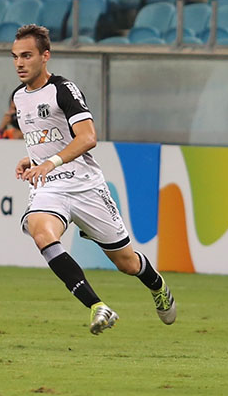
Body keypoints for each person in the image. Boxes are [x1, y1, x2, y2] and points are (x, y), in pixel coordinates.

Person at [11, 24, 176, 335]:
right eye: (15, 56)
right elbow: (47, 138)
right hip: (50, 187)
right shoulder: (19, 97)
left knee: (127, 263)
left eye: (27, 56)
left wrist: (49, 162)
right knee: (42, 234)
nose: (19, 63)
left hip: (85, 186)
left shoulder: (63, 90)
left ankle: (157, 285)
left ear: (45, 56)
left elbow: (87, 138)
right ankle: (97, 306)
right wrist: (32, 160)